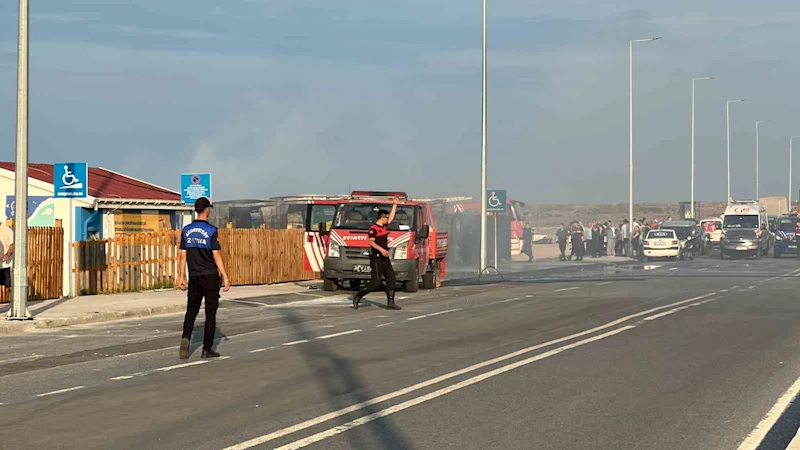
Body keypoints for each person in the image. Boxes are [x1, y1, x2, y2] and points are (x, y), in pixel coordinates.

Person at [178, 197, 231, 360]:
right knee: (210, 312)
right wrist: (226, 276)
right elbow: (216, 255)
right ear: (207, 210)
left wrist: (181, 276)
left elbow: (182, 255)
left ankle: (186, 338)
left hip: (194, 276)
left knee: (191, 311)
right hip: (210, 276)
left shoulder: (186, 230)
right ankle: (207, 349)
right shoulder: (211, 230)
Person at [352, 196, 401, 310]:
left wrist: (395, 205)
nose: (388, 220)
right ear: (382, 218)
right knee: (375, 283)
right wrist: (381, 249)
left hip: (385, 258)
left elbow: (392, 217)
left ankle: (391, 303)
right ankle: (359, 295)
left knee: (391, 278)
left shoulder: (384, 226)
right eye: (386, 218)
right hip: (377, 258)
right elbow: (371, 242)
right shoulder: (373, 229)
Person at [0, 221, 13, 290]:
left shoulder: (7, 230)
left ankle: (15, 299)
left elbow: (12, 245)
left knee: (8, 285)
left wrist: (7, 255)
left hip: (5, 264)